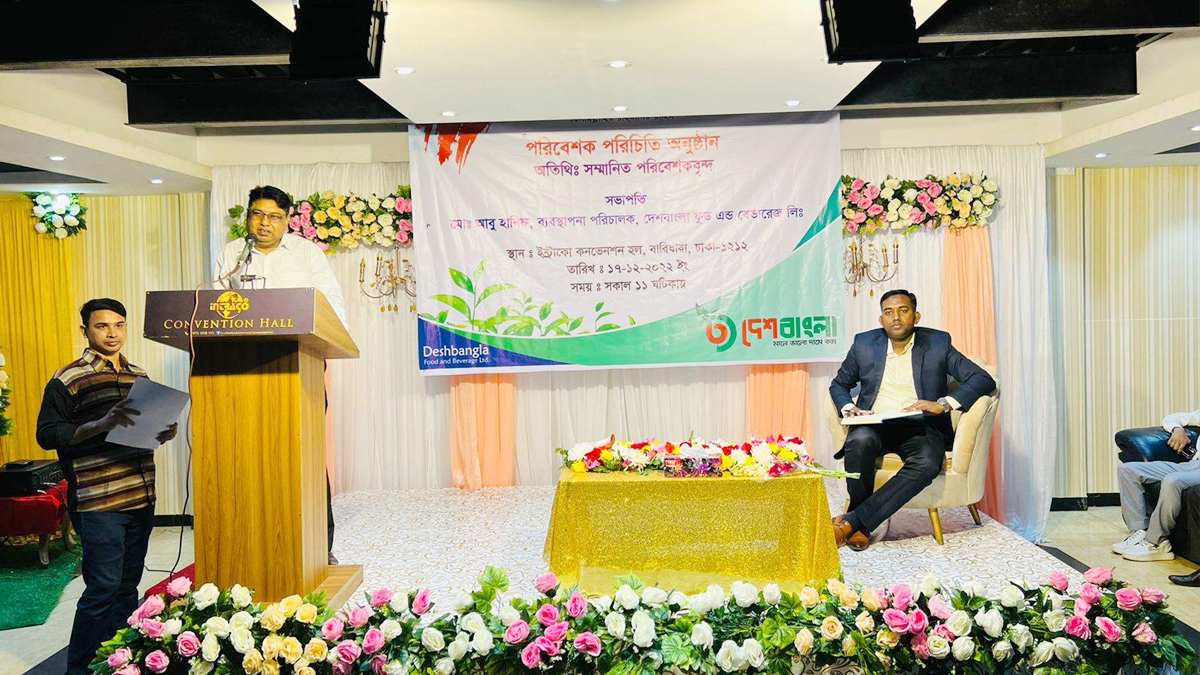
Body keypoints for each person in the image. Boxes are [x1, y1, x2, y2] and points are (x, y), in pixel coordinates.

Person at [36, 298, 178, 675]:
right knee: (102, 589)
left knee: (128, 586)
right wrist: (101, 424)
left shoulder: (139, 375)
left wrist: (165, 429)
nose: (112, 333)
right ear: (85, 331)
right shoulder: (68, 378)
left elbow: (144, 431)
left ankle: (118, 663)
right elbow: (47, 434)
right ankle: (80, 669)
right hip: (98, 500)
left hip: (141, 495)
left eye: (119, 325)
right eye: (102, 326)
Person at [214, 185, 348, 562]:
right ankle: (256, 543)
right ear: (248, 217)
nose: (265, 223)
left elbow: (332, 303)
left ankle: (320, 546)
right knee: (251, 455)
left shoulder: (306, 253)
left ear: (287, 220)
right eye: (257, 214)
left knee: (306, 453)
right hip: (245, 369)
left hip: (300, 363)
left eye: (274, 216)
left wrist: (330, 338)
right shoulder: (232, 254)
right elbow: (218, 307)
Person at [828, 289, 996, 551]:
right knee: (858, 443)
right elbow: (839, 384)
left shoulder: (937, 343)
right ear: (881, 319)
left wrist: (943, 404)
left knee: (927, 463)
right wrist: (849, 408)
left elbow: (983, 378)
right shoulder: (864, 344)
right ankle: (861, 524)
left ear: (915, 316)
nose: (895, 317)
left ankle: (854, 522)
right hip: (875, 424)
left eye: (903, 310)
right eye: (888, 312)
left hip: (921, 426)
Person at [1112, 408, 1200, 583]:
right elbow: (1173, 418)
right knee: (1127, 470)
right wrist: (1177, 429)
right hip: (1193, 464)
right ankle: (1140, 531)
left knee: (1172, 481)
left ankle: (1157, 543)